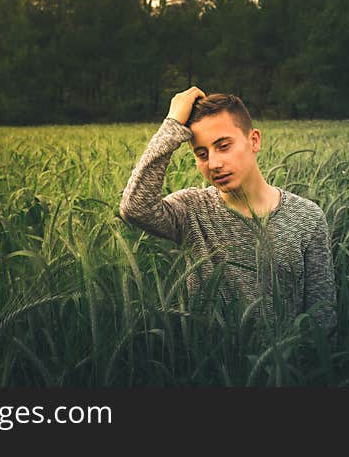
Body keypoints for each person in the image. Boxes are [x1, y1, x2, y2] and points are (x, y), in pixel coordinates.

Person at [119, 86, 337, 336]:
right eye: (202, 154)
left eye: (223, 146)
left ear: (254, 140)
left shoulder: (307, 218)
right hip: (206, 366)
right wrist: (172, 124)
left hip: (283, 368)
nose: (214, 164)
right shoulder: (192, 210)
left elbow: (322, 319)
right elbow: (135, 207)